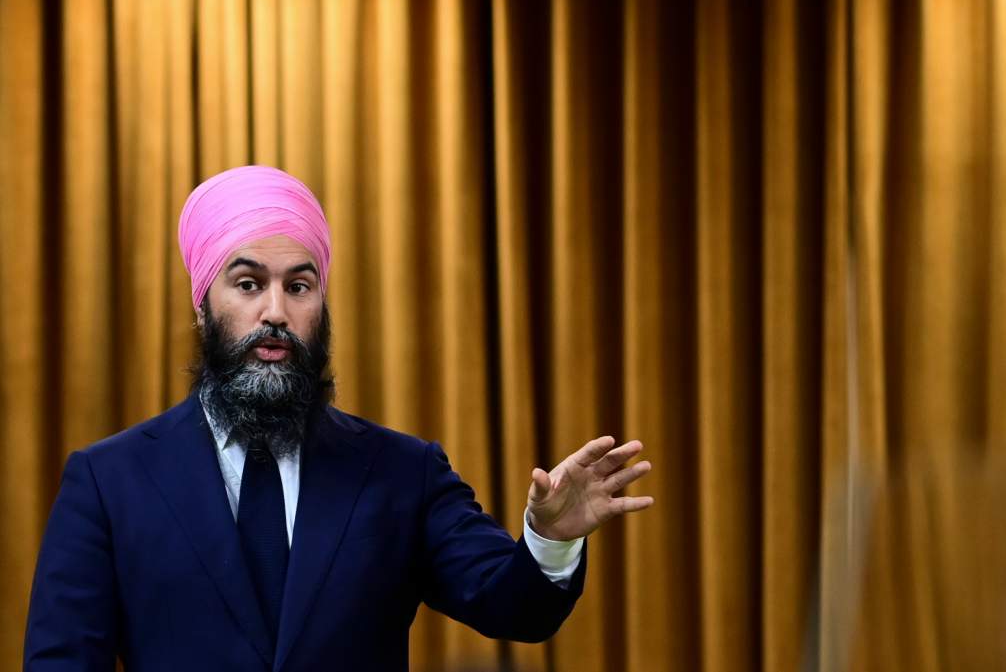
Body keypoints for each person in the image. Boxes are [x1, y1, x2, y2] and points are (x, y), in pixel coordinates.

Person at [23, 165, 653, 671]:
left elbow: (516, 610)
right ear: (202, 304)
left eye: (299, 286)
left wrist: (550, 540)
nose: (275, 311)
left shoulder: (403, 472)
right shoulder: (109, 482)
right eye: (247, 284)